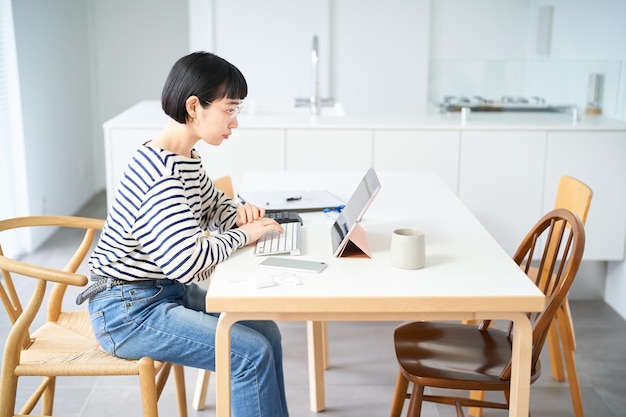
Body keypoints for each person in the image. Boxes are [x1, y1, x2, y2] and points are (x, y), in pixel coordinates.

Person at [79, 51, 289, 417]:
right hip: (127, 311)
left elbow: (212, 206)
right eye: (230, 109)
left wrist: (239, 215)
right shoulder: (161, 175)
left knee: (266, 333)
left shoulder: (185, 157)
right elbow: (187, 264)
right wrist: (246, 235)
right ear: (195, 106)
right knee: (249, 355)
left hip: (159, 294)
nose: (234, 122)